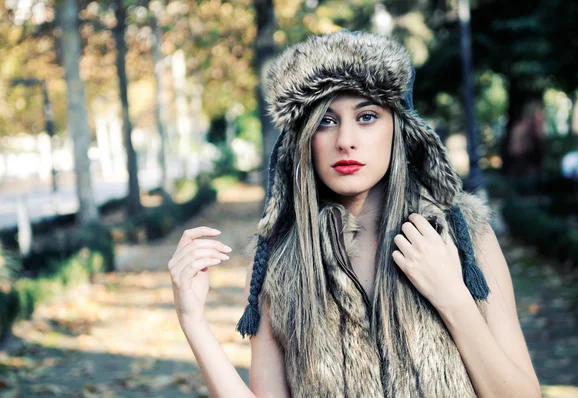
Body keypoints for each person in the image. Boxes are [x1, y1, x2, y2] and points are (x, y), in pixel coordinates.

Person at [167, 30, 541, 397]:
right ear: (303, 139)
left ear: (399, 127)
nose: (345, 140)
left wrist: (453, 298)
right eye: (326, 121)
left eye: (366, 116)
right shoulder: (279, 265)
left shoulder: (464, 238)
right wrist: (193, 321)